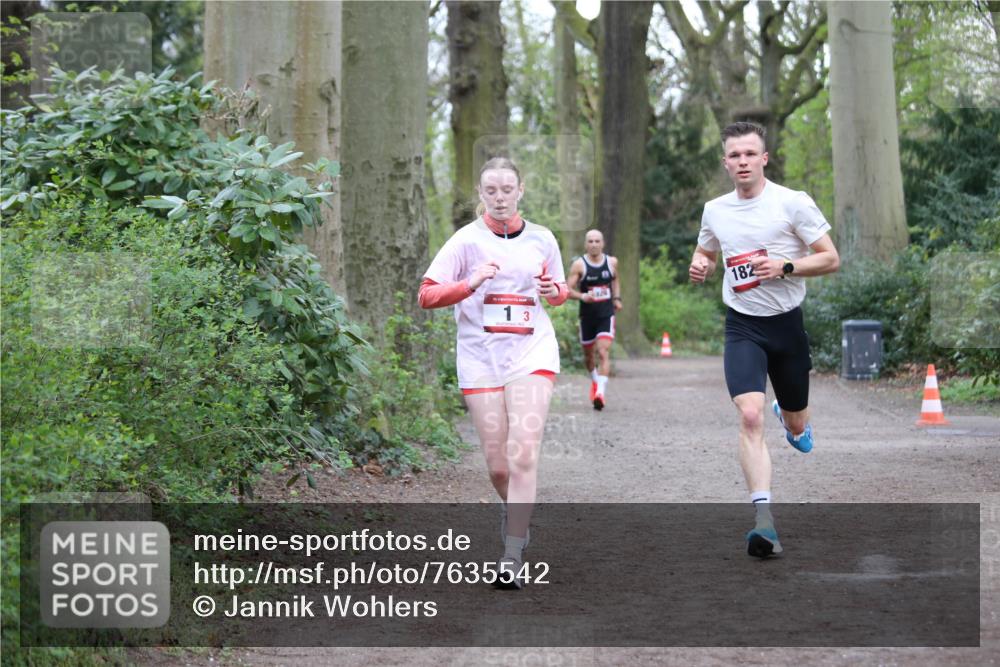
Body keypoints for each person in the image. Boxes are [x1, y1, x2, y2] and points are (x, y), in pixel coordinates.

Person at [688, 121, 840, 558]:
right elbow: (708, 251)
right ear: (725, 162)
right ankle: (764, 522)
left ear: (764, 158)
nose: (742, 162)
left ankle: (790, 414)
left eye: (750, 154)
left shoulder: (792, 203)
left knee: (796, 424)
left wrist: (785, 267)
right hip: (743, 325)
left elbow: (830, 258)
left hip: (787, 325)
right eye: (734, 155)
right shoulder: (715, 209)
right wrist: (701, 265)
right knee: (749, 416)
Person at [418, 157, 568, 588]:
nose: (499, 198)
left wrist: (552, 292)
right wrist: (469, 284)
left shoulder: (543, 238)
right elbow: (427, 295)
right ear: (480, 194)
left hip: (530, 352)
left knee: (523, 453)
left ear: (521, 190)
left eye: (507, 189)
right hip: (480, 358)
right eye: (491, 191)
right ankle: (514, 512)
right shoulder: (466, 241)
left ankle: (512, 553)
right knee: (499, 467)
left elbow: (558, 291)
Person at [567, 230, 621, 410]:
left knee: (603, 351)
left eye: (597, 241)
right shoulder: (579, 265)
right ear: (585, 244)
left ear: (603, 243)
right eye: (590, 241)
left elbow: (615, 280)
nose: (594, 244)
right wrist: (583, 296)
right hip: (587, 317)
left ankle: (600, 392)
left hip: (606, 314)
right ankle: (595, 381)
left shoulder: (612, 262)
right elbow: (567, 290)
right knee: (589, 356)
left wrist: (617, 299)